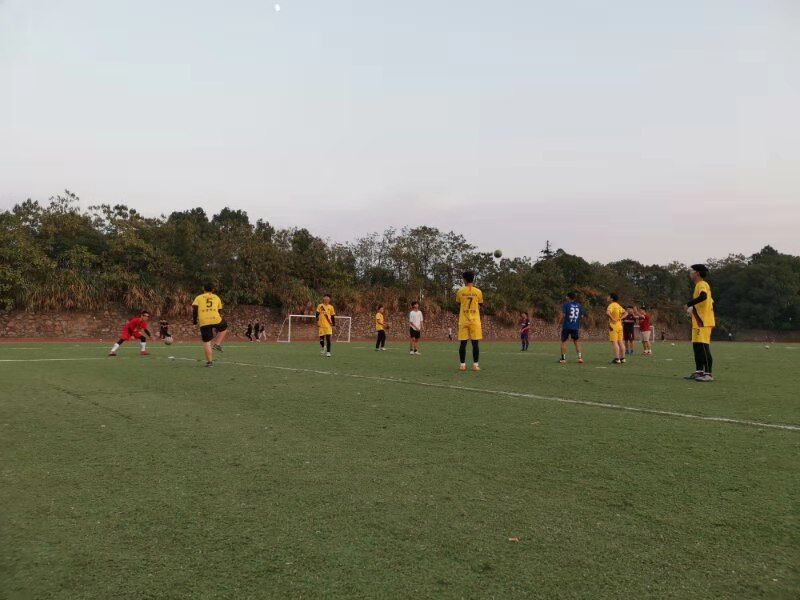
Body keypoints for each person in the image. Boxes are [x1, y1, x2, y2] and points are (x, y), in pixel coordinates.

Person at [684, 264, 715, 382]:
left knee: (703, 347)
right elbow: (710, 301)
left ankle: (708, 373)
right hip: (698, 321)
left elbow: (703, 296)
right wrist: (694, 309)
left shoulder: (702, 284)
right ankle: (699, 372)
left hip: (703, 322)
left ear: (697, 273)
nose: (690, 273)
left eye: (692, 271)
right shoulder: (699, 285)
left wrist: (689, 304)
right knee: (697, 347)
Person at [192, 283, 228, 367]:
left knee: (207, 342)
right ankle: (217, 344)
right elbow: (219, 310)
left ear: (203, 289)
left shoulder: (199, 297)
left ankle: (209, 363)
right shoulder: (216, 297)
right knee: (224, 327)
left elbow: (195, 310)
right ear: (213, 290)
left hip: (204, 321)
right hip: (216, 318)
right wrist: (216, 324)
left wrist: (194, 321)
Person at [456, 271, 483, 371]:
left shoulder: (460, 291)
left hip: (463, 320)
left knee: (463, 343)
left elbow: (459, 304)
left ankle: (462, 365)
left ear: (464, 280)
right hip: (475, 320)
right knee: (475, 343)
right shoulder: (478, 292)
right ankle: (475, 365)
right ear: (473, 279)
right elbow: (480, 305)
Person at [559, 292, 584, 364]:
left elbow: (563, 315)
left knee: (564, 342)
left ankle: (563, 359)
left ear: (568, 297)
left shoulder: (566, 305)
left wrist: (559, 323)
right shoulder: (579, 305)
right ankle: (580, 358)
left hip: (566, 326)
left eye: (566, 296)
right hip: (575, 326)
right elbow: (582, 316)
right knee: (576, 342)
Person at [607, 293, 628, 364]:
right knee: (620, 342)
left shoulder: (611, 305)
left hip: (613, 326)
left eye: (608, 296)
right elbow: (626, 313)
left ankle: (617, 359)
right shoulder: (618, 306)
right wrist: (620, 318)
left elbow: (607, 313)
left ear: (611, 298)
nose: (607, 297)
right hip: (620, 325)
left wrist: (613, 319)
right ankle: (623, 358)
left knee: (614, 342)